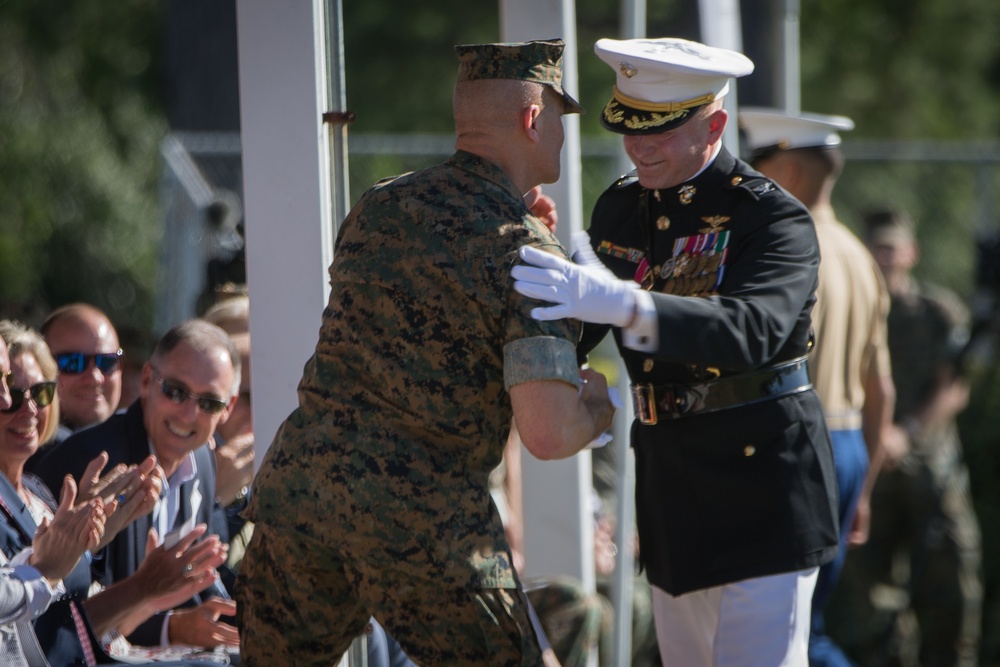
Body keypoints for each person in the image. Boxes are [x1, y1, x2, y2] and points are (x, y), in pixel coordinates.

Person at [237, 38, 616, 666]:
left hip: (302, 490)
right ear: (531, 119)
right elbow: (548, 433)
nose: (561, 133)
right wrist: (597, 407)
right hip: (422, 517)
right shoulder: (528, 254)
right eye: (558, 117)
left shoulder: (380, 205)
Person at [512, 37, 840, 665]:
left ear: (714, 124)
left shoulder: (770, 219)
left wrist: (630, 305)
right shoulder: (622, 208)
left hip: (762, 484)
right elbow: (581, 324)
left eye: (659, 132)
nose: (638, 147)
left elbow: (754, 328)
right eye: (630, 128)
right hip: (672, 482)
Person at [739, 108, 896, 666]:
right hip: (849, 445)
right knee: (807, 618)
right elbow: (881, 388)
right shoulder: (860, 256)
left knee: (783, 627)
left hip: (796, 442)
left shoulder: (788, 252)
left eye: (761, 168)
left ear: (790, 174)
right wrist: (867, 487)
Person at [0, 320, 231, 665]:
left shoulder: (40, 493)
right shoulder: (85, 460)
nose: (28, 408)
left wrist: (148, 592)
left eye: (41, 393)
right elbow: (36, 626)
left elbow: (84, 621)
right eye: (12, 394)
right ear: (149, 381)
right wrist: (143, 589)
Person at [829, 210, 982, 666]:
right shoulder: (854, 310)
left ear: (911, 254)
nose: (886, 257)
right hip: (874, 478)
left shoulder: (937, 312)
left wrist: (906, 433)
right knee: (874, 607)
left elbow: (954, 386)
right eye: (878, 247)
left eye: (894, 247)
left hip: (932, 474)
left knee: (949, 589)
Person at [38, 303, 124, 446]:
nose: (95, 378)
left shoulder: (145, 449)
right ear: (40, 367)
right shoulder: (20, 455)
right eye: (72, 363)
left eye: (107, 362)